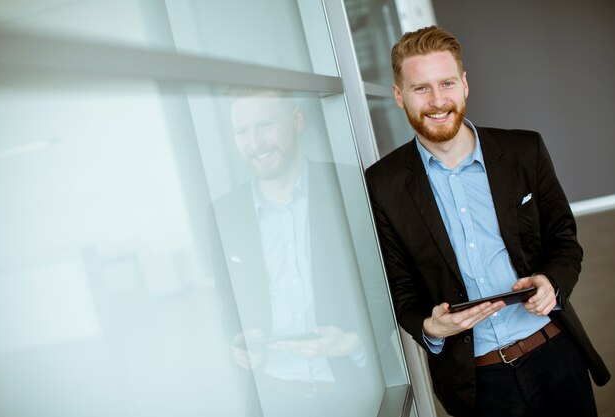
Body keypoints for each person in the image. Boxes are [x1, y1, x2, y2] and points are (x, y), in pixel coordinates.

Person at [364, 25, 610, 417]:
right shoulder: (382, 185)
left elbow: (563, 239)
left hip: (554, 353)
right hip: (477, 386)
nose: (437, 100)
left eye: (446, 83)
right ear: (399, 96)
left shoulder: (523, 150)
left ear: (464, 85)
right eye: (420, 88)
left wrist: (552, 282)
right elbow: (399, 289)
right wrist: (430, 328)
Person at [212, 90, 379, 416]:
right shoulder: (223, 214)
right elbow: (226, 303)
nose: (255, 142)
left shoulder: (350, 187)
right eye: (242, 131)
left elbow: (384, 286)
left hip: (356, 393)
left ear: (297, 120)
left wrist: (355, 341)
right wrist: (240, 344)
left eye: (266, 125)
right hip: (274, 399)